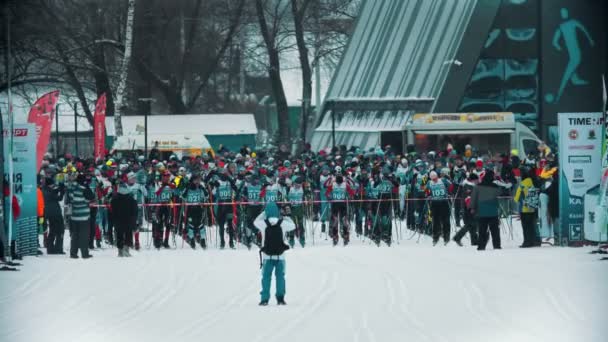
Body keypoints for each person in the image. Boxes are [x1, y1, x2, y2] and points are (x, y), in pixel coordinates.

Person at [254, 202, 296, 306]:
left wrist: (264, 213)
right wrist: (285, 216)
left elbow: (255, 222)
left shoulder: (263, 223)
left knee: (266, 278)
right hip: (280, 256)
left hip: (267, 256)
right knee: (280, 277)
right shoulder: (283, 224)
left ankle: (264, 299)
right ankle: (280, 298)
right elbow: (293, 226)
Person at [470, 170, 502, 250]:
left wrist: (472, 208)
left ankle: (481, 246)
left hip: (482, 211)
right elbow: (500, 193)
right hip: (493, 211)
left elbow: (474, 197)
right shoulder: (495, 186)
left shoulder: (478, 186)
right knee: (495, 231)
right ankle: (497, 245)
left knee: (482, 230)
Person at [68, 174, 95, 259]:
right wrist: (87, 186)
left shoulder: (71, 188)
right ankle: (84, 253)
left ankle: (73, 253)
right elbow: (91, 196)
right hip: (83, 216)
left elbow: (70, 199)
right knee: (84, 235)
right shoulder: (83, 189)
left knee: (74, 235)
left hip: (74, 215)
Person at [514, 167, 541, 248]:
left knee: (525, 227)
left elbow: (517, 198)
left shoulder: (522, 184)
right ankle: (534, 241)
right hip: (533, 208)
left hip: (524, 209)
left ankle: (527, 242)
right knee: (532, 225)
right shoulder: (533, 182)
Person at [111, 182, 138, 257]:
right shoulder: (131, 199)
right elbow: (135, 211)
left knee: (119, 235)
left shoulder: (114, 199)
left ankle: (120, 251)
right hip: (128, 221)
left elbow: (113, 211)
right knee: (128, 235)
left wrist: (113, 221)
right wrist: (134, 221)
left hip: (118, 221)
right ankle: (126, 250)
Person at [426, 171, 452, 246]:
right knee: (435, 221)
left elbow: (451, 186)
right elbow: (426, 190)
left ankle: (446, 237)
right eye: (433, 179)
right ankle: (435, 237)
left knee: (446, 221)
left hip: (444, 203)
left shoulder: (443, 180)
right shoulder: (429, 183)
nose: (435, 180)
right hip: (434, 204)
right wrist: (428, 195)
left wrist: (449, 193)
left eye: (435, 178)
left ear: (437, 176)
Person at [453, 173, 479, 246]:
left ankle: (474, 241)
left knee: (473, 225)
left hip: (469, 208)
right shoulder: (468, 186)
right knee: (469, 224)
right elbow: (468, 198)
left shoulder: (471, 185)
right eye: (476, 180)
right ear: (473, 180)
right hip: (468, 208)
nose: (477, 181)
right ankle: (457, 237)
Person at [42, 177, 66, 254]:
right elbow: (59, 198)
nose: (53, 186)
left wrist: (58, 189)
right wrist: (62, 191)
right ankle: (58, 248)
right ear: (50, 184)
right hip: (56, 213)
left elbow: (53, 193)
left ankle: (50, 248)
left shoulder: (44, 190)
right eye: (52, 184)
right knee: (60, 230)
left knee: (52, 230)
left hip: (49, 214)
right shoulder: (49, 192)